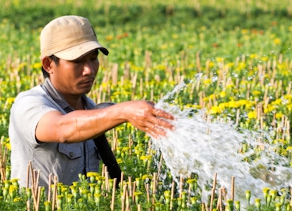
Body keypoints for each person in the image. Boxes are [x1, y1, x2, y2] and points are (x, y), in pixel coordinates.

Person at [9, 15, 174, 191]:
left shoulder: (90, 109)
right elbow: (62, 128)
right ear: (49, 64)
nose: (89, 70)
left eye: (93, 58)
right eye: (77, 61)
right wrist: (124, 112)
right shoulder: (28, 104)